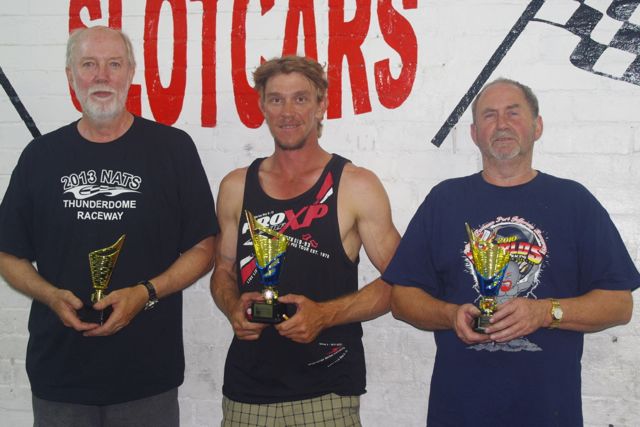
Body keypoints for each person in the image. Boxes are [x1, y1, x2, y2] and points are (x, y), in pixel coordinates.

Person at [384, 78, 639, 427]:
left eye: (513, 113)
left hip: (550, 413)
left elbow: (620, 304)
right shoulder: (444, 201)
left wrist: (546, 312)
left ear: (537, 126)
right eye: (490, 115)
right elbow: (401, 299)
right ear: (474, 134)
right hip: (459, 413)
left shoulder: (574, 202)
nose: (502, 124)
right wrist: (449, 315)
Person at [0, 26, 218, 426]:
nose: (101, 76)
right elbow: (7, 253)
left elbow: (205, 245)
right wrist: (48, 295)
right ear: (70, 77)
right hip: (59, 377)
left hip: (146, 377)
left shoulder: (173, 149)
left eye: (113, 64)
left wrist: (146, 292)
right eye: (89, 65)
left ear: (131, 72)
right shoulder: (40, 156)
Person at [211, 55, 400, 426]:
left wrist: (325, 315)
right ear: (262, 106)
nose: (287, 111)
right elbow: (223, 269)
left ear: (321, 105)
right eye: (276, 99)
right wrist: (232, 305)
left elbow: (404, 281)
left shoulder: (355, 185)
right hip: (247, 391)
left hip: (327, 391)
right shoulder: (236, 187)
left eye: (300, 98)